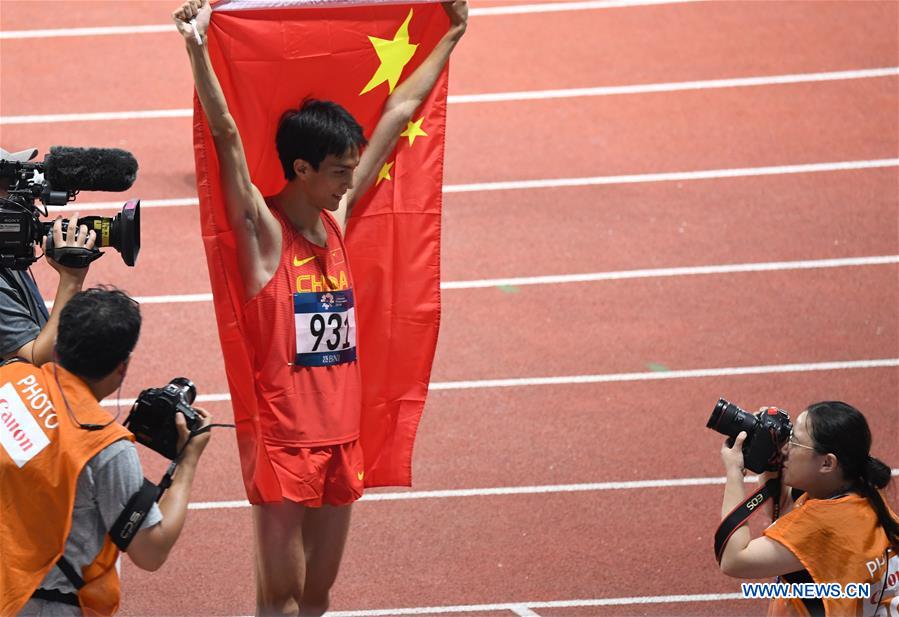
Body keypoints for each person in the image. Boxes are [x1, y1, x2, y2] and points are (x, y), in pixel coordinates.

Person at [172, 0, 467, 613]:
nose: (349, 182)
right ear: (301, 168)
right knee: (279, 600)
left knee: (316, 598)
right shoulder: (264, 233)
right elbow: (226, 136)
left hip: (342, 438)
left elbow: (399, 111)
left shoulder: (337, 219)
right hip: (286, 442)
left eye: (352, 170)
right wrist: (197, 47)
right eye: (338, 172)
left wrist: (453, 33)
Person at [0, 287, 213, 616]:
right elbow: (150, 551)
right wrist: (187, 462)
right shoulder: (104, 446)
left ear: (56, 346)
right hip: (41, 603)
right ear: (122, 367)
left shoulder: (9, 377)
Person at [718, 401, 899, 615]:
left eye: (794, 442)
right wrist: (768, 457)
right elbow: (783, 509)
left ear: (827, 463)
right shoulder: (859, 491)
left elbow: (734, 560)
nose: (785, 448)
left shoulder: (822, 523)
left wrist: (734, 472)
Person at [0, 146, 98, 367]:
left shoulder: (8, 250)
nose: (23, 194)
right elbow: (40, 360)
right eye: (9, 185)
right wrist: (71, 279)